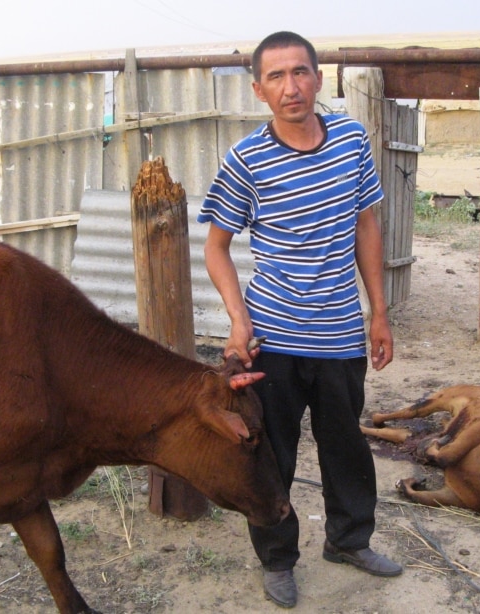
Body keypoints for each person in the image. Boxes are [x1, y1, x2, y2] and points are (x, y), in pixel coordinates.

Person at [198, 30, 402, 609]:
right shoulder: (246, 160)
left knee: (345, 447)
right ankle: (278, 560)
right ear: (258, 90)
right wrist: (238, 321)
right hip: (275, 337)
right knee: (272, 455)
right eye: (277, 76)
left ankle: (349, 541)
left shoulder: (351, 141)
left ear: (318, 78)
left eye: (300, 72)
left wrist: (379, 313)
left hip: (340, 334)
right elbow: (216, 247)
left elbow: (365, 225)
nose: (291, 87)